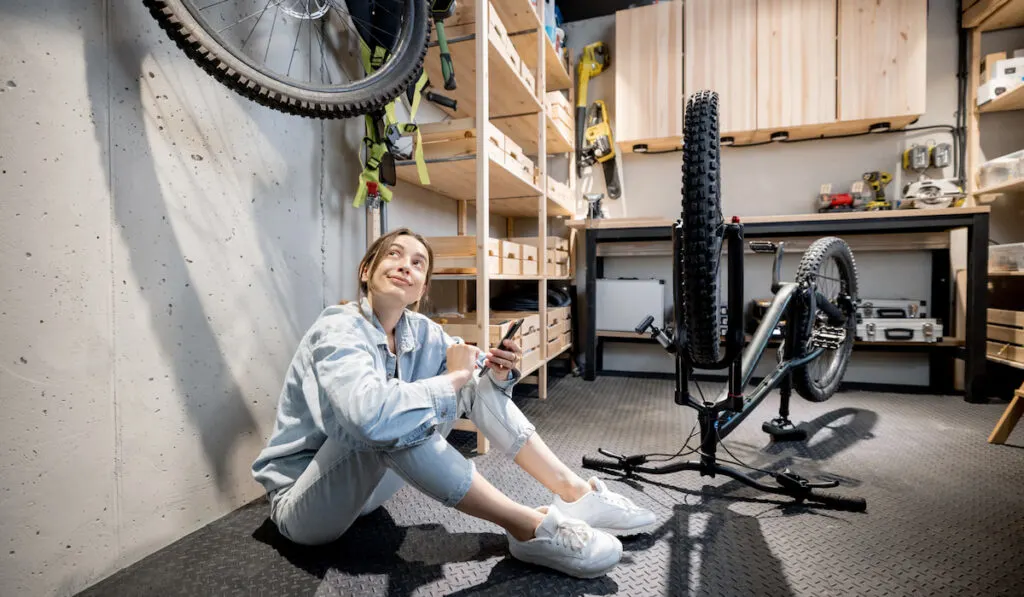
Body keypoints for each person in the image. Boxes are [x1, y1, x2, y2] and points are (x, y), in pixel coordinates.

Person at [251, 228, 656, 579]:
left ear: (423, 289)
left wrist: (497, 375)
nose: (405, 264)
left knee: (468, 385)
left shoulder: (422, 331)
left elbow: (473, 382)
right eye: (393, 254)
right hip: (305, 508)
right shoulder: (338, 326)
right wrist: (452, 378)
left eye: (418, 262)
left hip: (368, 497)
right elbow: (367, 416)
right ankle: (528, 529)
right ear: (366, 271)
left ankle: (574, 493)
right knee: (395, 417)